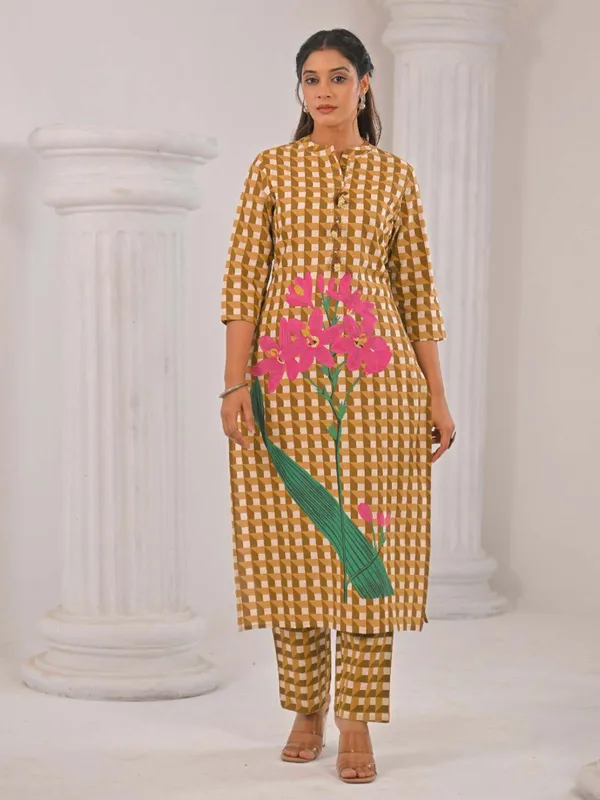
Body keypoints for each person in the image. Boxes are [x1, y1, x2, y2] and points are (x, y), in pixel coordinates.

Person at [219, 28, 455, 784]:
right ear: (300, 89)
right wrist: (234, 383)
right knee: (290, 549)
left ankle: (355, 719)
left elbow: (417, 293)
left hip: (382, 387)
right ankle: (304, 709)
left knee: (371, 553)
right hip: (285, 383)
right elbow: (243, 281)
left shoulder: (394, 176)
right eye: (311, 78)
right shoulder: (272, 168)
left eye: (338, 76)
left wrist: (437, 394)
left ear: (365, 85)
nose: (323, 90)